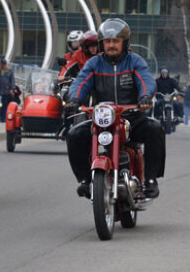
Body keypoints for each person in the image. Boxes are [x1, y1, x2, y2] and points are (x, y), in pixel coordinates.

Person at [65, 18, 165, 198]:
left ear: (124, 43)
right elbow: (81, 82)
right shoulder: (94, 63)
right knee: (74, 135)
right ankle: (85, 181)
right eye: (107, 41)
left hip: (132, 119)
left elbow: (146, 80)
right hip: (102, 120)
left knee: (155, 129)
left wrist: (145, 97)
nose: (111, 45)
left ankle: (151, 179)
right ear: (102, 43)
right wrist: (73, 99)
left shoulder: (135, 61)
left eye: (115, 41)